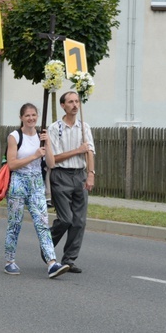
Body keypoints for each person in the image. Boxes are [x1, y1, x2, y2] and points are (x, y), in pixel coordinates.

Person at [4, 103, 70, 279]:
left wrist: (47, 144)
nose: (31, 118)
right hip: (18, 181)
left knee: (42, 223)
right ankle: (9, 260)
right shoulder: (14, 136)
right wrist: (33, 155)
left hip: (36, 183)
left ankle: (51, 263)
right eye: (27, 116)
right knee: (15, 223)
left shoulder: (42, 136)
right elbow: (11, 164)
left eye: (34, 115)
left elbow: (51, 163)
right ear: (21, 118)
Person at [48, 91, 95, 274]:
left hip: (79, 175)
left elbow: (89, 151)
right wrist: (77, 150)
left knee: (79, 221)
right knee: (66, 219)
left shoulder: (84, 127)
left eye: (77, 101)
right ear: (63, 105)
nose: (75, 105)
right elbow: (55, 158)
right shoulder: (54, 128)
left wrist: (90, 173)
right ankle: (47, 245)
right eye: (70, 102)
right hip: (61, 176)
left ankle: (69, 259)